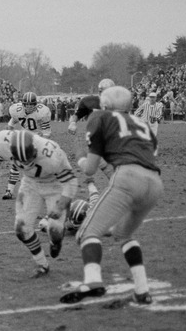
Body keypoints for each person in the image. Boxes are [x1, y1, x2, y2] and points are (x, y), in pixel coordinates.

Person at [60, 86, 163, 305]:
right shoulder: (143, 124)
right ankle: (142, 290)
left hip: (127, 178)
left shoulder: (100, 118)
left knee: (86, 232)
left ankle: (93, 280)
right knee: (124, 235)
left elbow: (89, 169)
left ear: (104, 106)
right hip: (155, 183)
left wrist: (80, 155)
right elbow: (148, 152)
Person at [0, 129, 78, 278]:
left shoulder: (52, 153)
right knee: (21, 228)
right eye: (22, 161)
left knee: (55, 232)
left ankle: (56, 241)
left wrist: (61, 205)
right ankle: (42, 264)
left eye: (30, 159)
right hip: (30, 185)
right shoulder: (1, 142)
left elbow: (71, 181)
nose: (27, 164)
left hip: (55, 185)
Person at [2, 92, 52, 200]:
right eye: (27, 104)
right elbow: (12, 122)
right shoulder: (17, 110)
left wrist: (42, 141)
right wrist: (9, 131)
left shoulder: (42, 112)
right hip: (24, 136)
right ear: (23, 104)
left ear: (35, 104)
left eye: (31, 104)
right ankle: (9, 191)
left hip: (38, 138)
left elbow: (47, 132)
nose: (29, 107)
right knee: (16, 163)